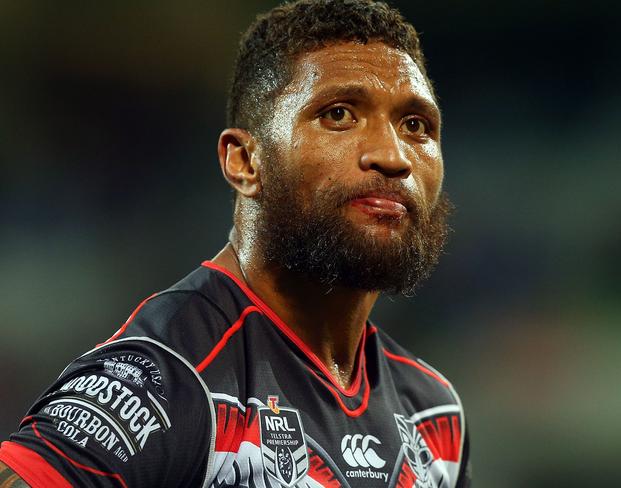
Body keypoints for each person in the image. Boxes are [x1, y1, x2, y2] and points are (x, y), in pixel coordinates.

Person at [0, 0, 471, 486]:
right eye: (339, 115)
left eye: (416, 125)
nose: (393, 156)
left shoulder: (434, 416)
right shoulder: (168, 378)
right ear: (245, 162)